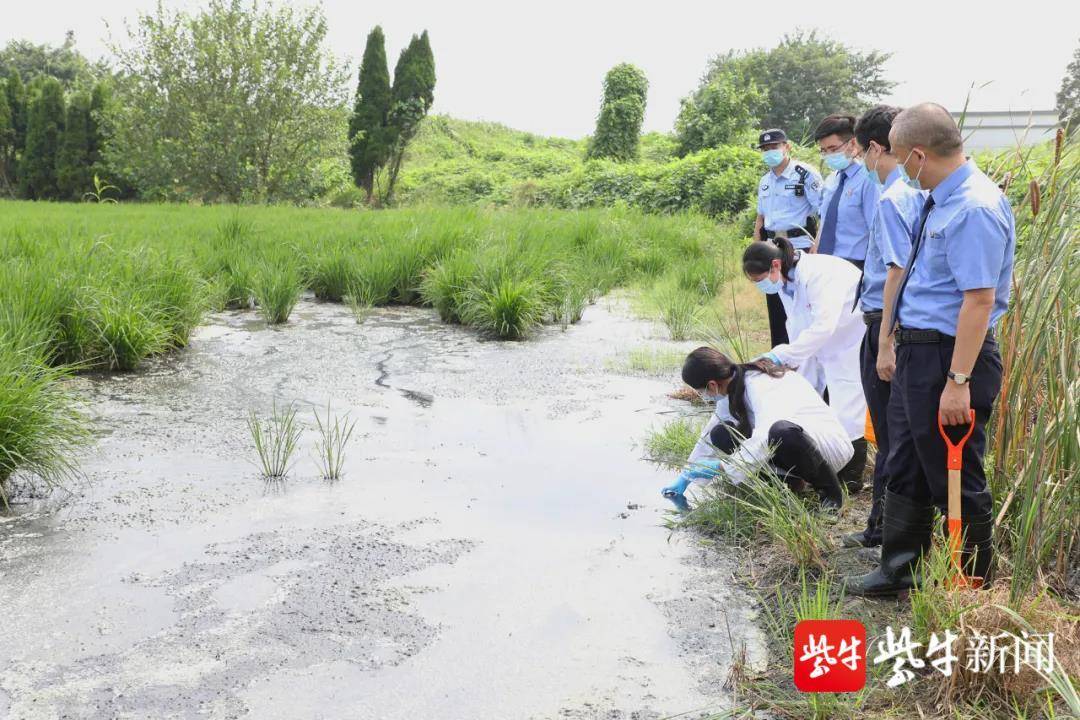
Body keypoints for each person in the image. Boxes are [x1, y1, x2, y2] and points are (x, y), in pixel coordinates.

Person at [845, 103, 1014, 597]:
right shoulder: (938, 199)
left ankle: (971, 584)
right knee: (905, 461)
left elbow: (979, 300)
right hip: (919, 353)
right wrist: (892, 341)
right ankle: (901, 568)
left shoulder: (974, 207)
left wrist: (958, 381)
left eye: (900, 158)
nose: (898, 169)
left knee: (953, 472)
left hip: (951, 357)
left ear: (918, 154)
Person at [841, 105, 926, 549]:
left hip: (884, 323)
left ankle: (883, 530)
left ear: (875, 148)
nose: (860, 160)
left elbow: (896, 268)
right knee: (893, 432)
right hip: (889, 322)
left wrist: (886, 340)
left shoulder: (893, 198)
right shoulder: (911, 193)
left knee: (890, 433)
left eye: (858, 150)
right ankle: (882, 526)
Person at [743, 237, 868, 491]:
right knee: (805, 394)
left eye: (760, 280)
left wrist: (785, 355)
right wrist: (789, 357)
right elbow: (797, 323)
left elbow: (824, 326)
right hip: (815, 343)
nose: (760, 286)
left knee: (847, 405)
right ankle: (814, 463)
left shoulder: (821, 275)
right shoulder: (785, 282)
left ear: (775, 265)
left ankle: (851, 477)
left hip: (849, 339)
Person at [660, 347, 851, 509]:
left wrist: (722, 466)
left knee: (780, 432)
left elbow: (765, 437)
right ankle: (788, 484)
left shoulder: (761, 385)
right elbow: (708, 437)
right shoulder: (733, 386)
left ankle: (831, 495)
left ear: (712, 384)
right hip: (794, 447)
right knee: (721, 433)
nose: (703, 396)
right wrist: (687, 475)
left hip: (826, 448)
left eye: (700, 391)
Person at [752, 128, 823, 347]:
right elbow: (760, 219)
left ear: (787, 147)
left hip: (798, 248)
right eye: (765, 149)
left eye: (774, 147)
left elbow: (824, 214)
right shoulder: (765, 181)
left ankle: (804, 363)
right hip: (771, 248)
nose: (769, 152)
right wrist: (757, 249)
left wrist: (817, 249)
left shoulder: (805, 174)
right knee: (776, 307)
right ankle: (779, 359)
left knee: (801, 308)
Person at [813, 114, 880, 269]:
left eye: (833, 149)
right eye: (823, 151)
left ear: (852, 143)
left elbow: (876, 231)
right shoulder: (831, 180)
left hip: (855, 264)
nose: (829, 155)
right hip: (826, 262)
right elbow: (824, 222)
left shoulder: (869, 180)